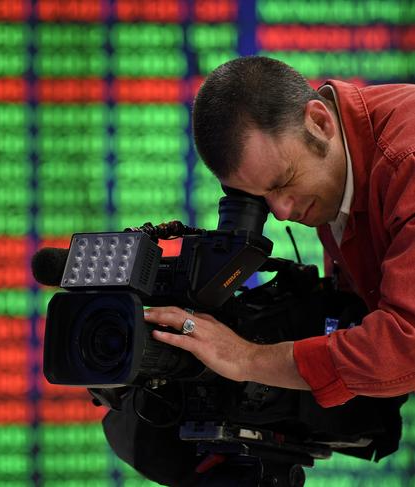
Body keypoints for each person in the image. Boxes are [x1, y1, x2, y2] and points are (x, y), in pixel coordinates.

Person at [144, 56, 415, 408]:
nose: (282, 212)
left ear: (319, 122)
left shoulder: (405, 161)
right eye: (261, 200)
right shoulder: (336, 181)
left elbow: (405, 343)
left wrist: (245, 359)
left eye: (285, 182)